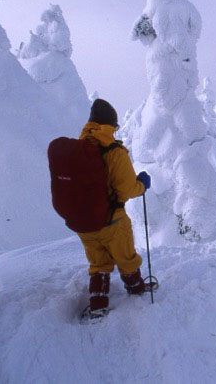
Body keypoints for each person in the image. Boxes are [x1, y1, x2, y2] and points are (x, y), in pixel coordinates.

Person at [77, 99, 152, 318]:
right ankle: (136, 289)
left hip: (85, 222)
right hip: (112, 220)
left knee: (98, 264)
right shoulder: (115, 152)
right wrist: (142, 185)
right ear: (111, 124)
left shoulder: (78, 148)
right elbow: (126, 190)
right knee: (126, 258)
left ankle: (98, 305)